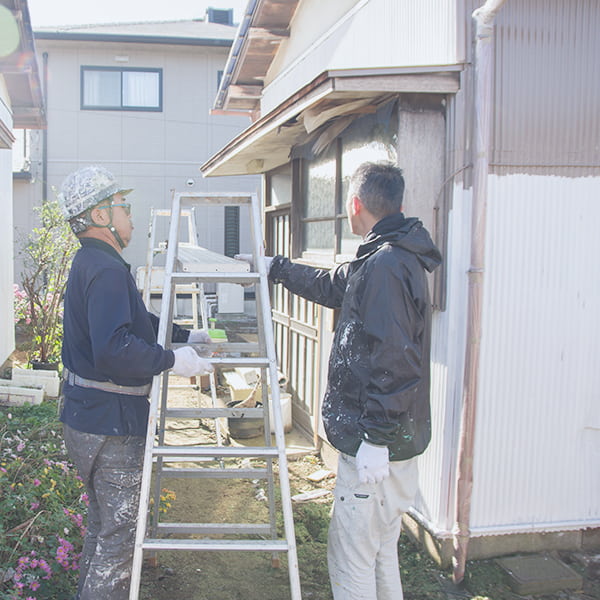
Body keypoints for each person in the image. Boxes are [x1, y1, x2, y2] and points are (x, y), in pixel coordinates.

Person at [242, 161, 441, 599]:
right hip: (395, 446)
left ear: (355, 205)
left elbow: (395, 361)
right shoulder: (386, 257)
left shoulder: (387, 266)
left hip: (377, 449)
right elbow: (332, 286)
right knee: (380, 550)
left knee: (350, 558)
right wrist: (276, 266)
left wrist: (375, 438)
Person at [57, 165, 213, 600]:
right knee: (121, 538)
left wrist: (183, 336)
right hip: (111, 423)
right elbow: (114, 348)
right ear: (101, 216)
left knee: (105, 526)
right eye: (123, 207)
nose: (130, 215)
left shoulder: (93, 262)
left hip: (87, 416)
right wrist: (170, 361)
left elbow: (135, 321)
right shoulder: (105, 270)